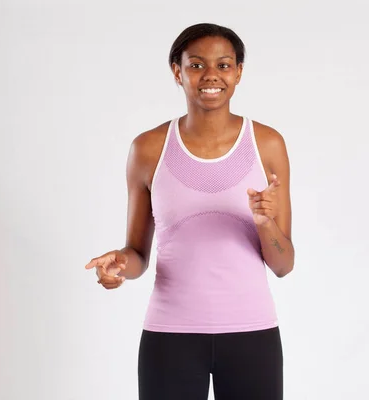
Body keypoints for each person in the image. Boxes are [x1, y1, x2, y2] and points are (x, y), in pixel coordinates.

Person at [85, 22, 294, 400]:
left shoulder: (266, 144)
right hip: (170, 336)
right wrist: (118, 265)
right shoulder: (148, 149)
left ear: (239, 72)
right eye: (196, 65)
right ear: (177, 71)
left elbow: (283, 264)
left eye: (224, 65)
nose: (211, 75)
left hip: (252, 335)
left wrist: (265, 224)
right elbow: (138, 254)